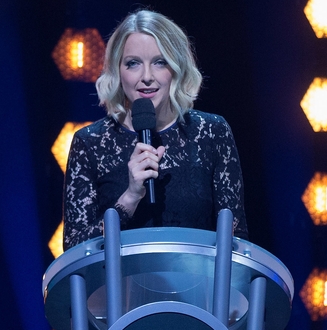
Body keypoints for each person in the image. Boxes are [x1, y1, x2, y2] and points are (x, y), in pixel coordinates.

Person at [63, 9, 248, 250]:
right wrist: (129, 198)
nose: (147, 77)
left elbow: (237, 240)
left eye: (160, 62)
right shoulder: (90, 143)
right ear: (118, 71)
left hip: (199, 284)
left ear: (176, 68)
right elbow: (74, 250)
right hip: (118, 285)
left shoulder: (212, 132)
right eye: (133, 64)